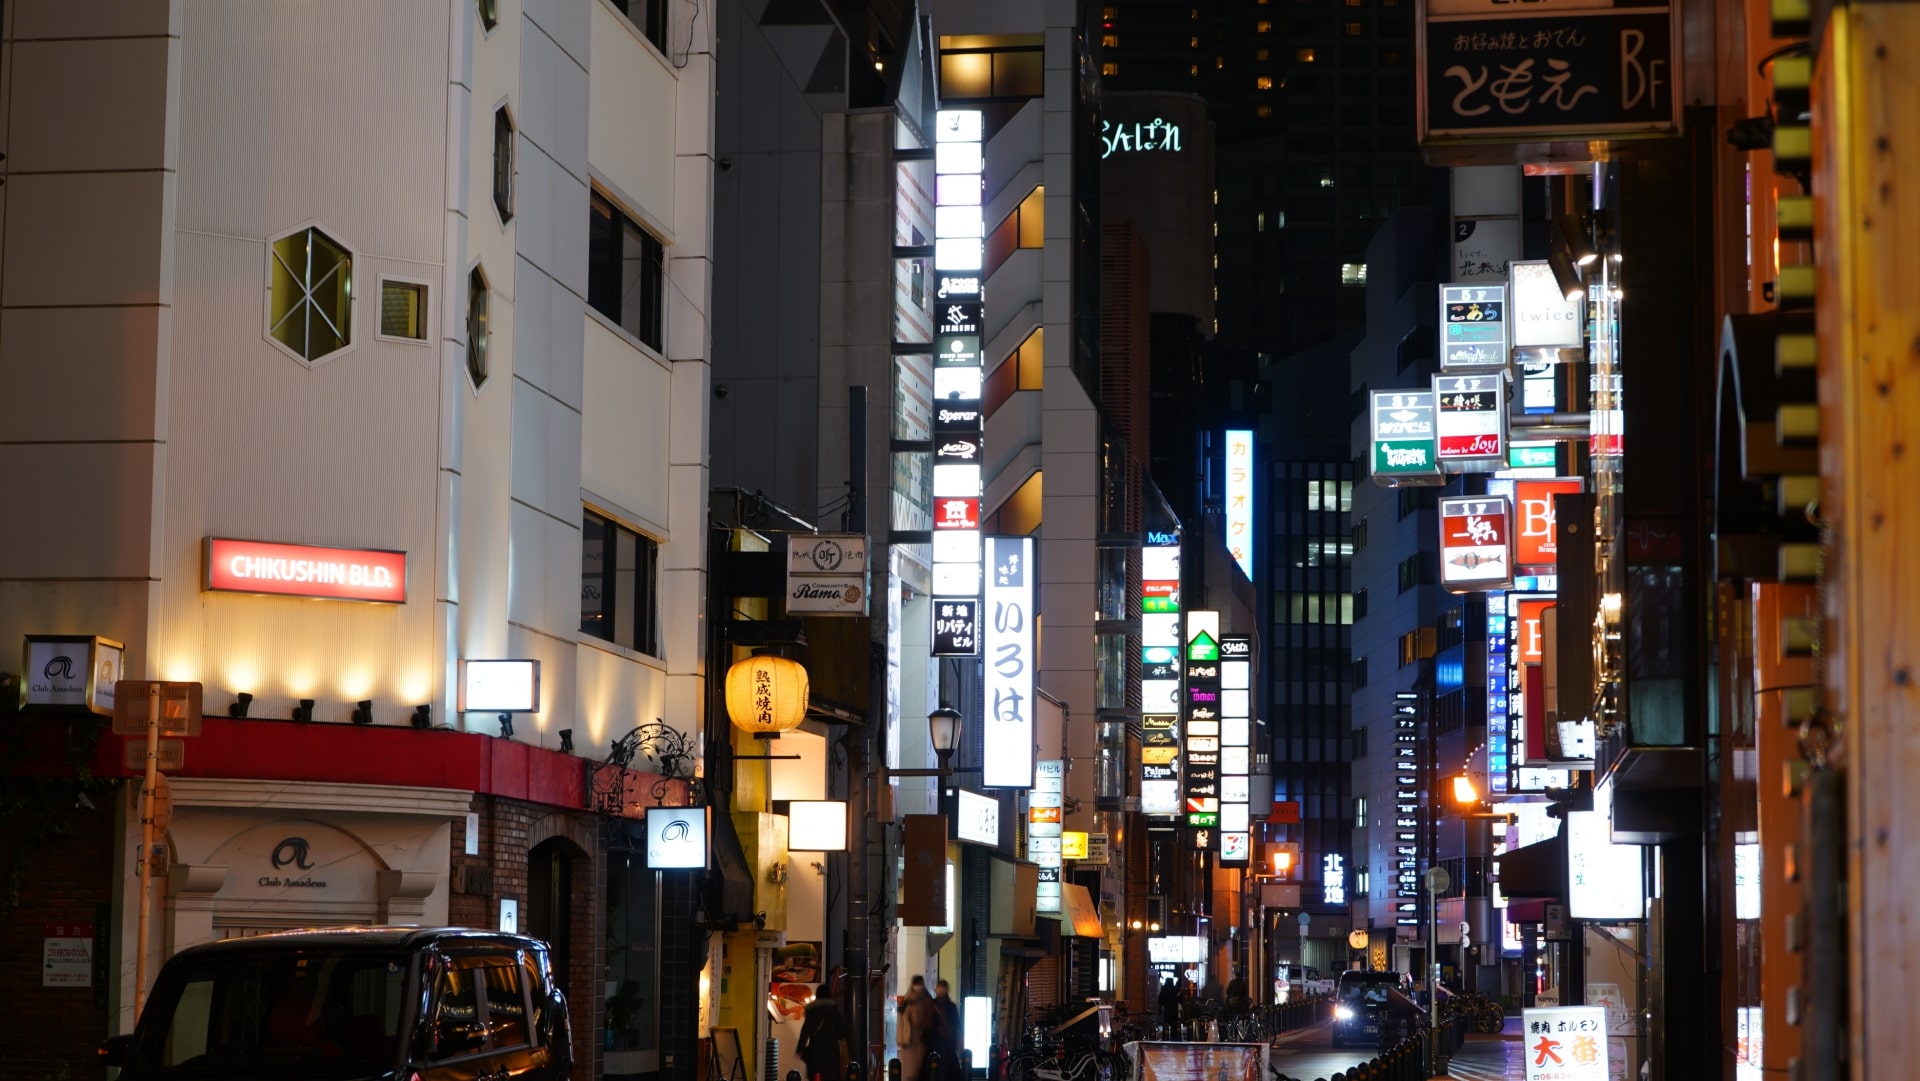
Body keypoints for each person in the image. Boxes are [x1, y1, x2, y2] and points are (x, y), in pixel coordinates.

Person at [797, 970, 850, 1081]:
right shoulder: (834, 1010)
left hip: (815, 1053)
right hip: (831, 1054)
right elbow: (842, 1031)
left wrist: (800, 1048)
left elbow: (805, 1030)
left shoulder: (811, 1010)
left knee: (816, 1077)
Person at [897, 978, 936, 1081]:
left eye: (920, 985)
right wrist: (901, 1039)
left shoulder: (928, 1001)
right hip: (909, 1041)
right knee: (910, 1073)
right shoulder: (906, 1002)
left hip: (923, 1041)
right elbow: (901, 1022)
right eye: (916, 984)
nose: (918, 987)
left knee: (921, 1071)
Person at [933, 980, 964, 1081]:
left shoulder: (937, 1005)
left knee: (942, 1068)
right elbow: (957, 1024)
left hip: (943, 1042)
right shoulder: (935, 1005)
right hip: (943, 1042)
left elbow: (956, 1023)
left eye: (942, 988)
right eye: (939, 988)